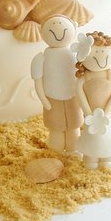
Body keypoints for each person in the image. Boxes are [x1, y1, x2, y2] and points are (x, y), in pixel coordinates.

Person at [31, 15, 83, 154]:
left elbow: (82, 76)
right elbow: (37, 81)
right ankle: (56, 153)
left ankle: (73, 151)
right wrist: (44, 101)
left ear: (75, 28)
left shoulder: (76, 55)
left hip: (73, 98)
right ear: (41, 32)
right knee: (56, 128)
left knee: (74, 126)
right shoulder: (41, 58)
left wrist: (82, 97)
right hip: (52, 99)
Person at [74, 32, 111, 169]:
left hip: (107, 115)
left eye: (104, 51)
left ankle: (108, 157)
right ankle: (90, 158)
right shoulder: (83, 80)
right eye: (96, 52)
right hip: (90, 116)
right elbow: (80, 95)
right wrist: (87, 112)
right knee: (91, 136)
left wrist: (108, 110)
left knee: (108, 134)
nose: (100, 55)